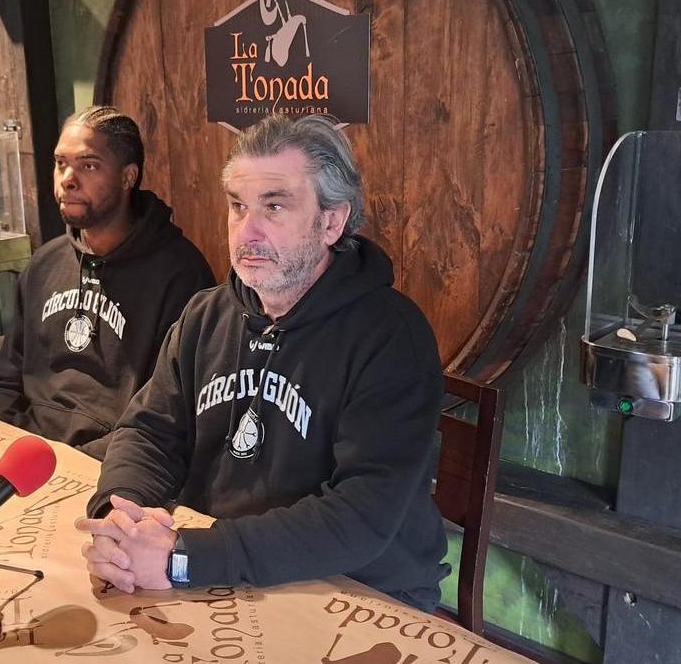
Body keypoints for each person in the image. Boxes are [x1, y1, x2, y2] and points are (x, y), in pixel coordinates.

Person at [76, 114, 448, 612]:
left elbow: (361, 516)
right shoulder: (206, 314)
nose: (246, 231)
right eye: (237, 206)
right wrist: (121, 517)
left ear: (332, 221)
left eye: (274, 206)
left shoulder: (391, 338)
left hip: (357, 590)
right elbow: (149, 432)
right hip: (223, 571)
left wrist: (182, 559)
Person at [0, 106, 215, 451]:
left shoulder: (181, 275)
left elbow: (168, 415)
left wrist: (74, 465)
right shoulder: (44, 264)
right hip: (28, 452)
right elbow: (5, 384)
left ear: (127, 177)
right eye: (61, 163)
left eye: (88, 165)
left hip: (112, 463)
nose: (68, 179)